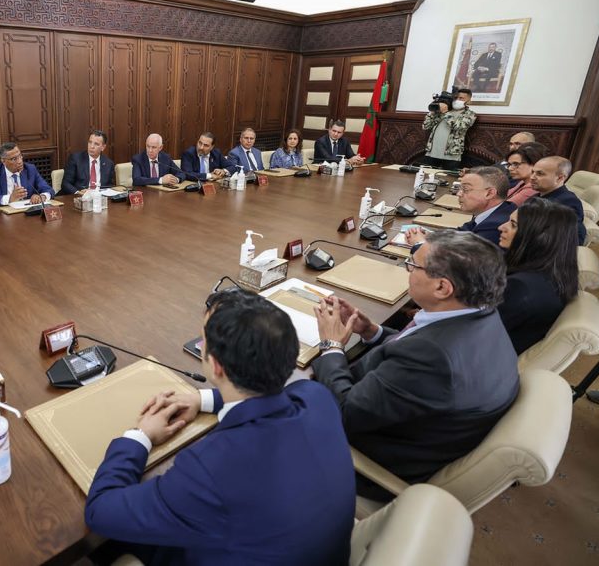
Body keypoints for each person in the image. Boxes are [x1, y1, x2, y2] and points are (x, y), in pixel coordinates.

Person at [85, 289, 355, 564]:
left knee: (108, 546)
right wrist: (201, 399)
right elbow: (282, 394)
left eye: (204, 340)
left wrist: (140, 436)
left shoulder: (207, 471)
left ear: (215, 366)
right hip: (312, 548)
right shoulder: (317, 397)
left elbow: (99, 512)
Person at [313, 230, 519, 499]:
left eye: (413, 265)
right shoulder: (482, 315)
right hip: (406, 426)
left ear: (442, 288)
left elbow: (344, 412)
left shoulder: (432, 359)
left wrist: (331, 345)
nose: (408, 270)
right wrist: (372, 331)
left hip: (364, 462)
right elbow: (415, 344)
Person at [496, 199, 579, 354]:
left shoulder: (521, 288)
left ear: (539, 237)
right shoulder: (555, 273)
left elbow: (475, 331)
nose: (501, 227)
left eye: (513, 225)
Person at [406, 166, 515, 247]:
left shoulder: (495, 226)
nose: (458, 194)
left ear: (490, 193)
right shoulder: (499, 209)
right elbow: (463, 232)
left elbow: (457, 262)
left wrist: (419, 243)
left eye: (465, 189)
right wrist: (432, 236)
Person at [530, 156, 587, 245]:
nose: (532, 177)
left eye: (540, 174)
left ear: (560, 178)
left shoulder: (567, 202)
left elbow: (575, 239)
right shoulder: (540, 195)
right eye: (532, 172)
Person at [0, 142, 53, 208]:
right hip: (5, 215)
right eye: (14, 159)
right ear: (3, 161)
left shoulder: (30, 169)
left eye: (20, 156)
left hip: (28, 213)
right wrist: (10, 198)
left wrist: (42, 196)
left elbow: (49, 189)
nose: (20, 161)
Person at [422, 88, 475, 171]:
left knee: (448, 178)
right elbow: (426, 126)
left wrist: (446, 112)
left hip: (451, 156)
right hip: (432, 153)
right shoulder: (441, 111)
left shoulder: (470, 114)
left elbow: (459, 127)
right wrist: (432, 112)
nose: (457, 100)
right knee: (425, 176)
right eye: (456, 98)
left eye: (461, 98)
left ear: (468, 100)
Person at [60, 130, 115, 195]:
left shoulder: (109, 164)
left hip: (99, 197)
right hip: (79, 197)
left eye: (96, 144)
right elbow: (65, 184)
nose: (92, 146)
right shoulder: (76, 159)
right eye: (90, 142)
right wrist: (78, 192)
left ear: (103, 147)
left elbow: (109, 186)